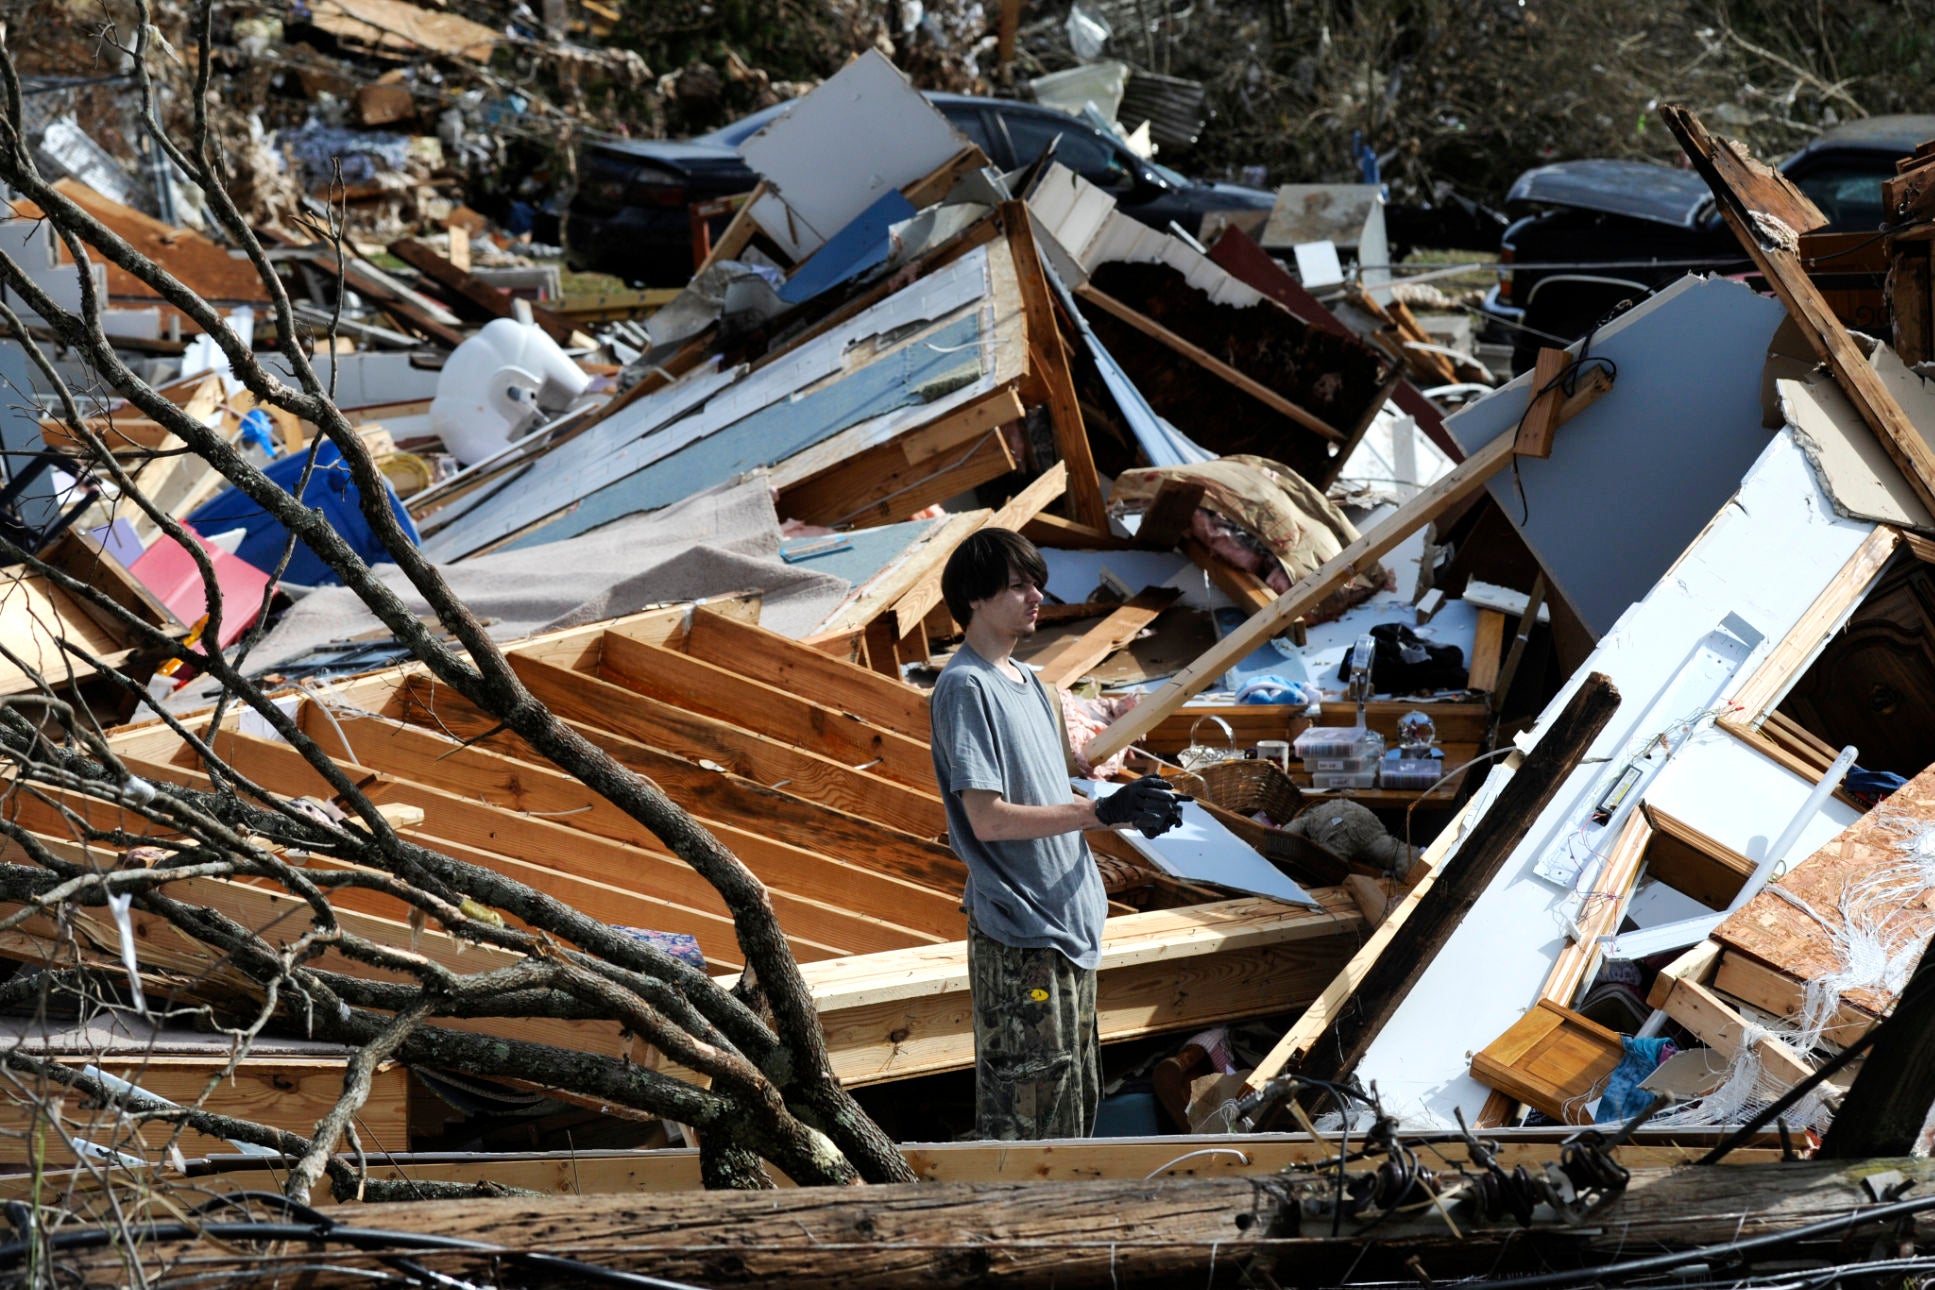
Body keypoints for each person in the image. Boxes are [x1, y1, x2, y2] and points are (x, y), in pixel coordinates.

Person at [930, 528, 1188, 1139]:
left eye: (1036, 583)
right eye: (1017, 585)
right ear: (974, 597)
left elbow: (1052, 797)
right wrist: (1101, 815)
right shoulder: (966, 687)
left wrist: (1128, 808)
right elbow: (988, 819)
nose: (1035, 595)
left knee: (1073, 1114)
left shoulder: (1033, 686)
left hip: (1069, 929)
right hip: (1021, 938)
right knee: (1030, 1125)